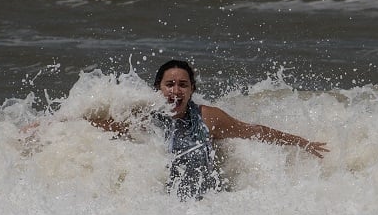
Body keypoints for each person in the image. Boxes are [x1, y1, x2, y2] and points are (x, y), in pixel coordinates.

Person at [92, 59, 329, 200]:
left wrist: (300, 142)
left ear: (192, 90)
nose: (176, 91)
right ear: (158, 88)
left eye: (183, 85)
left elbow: (254, 131)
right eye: (170, 84)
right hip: (161, 207)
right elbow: (111, 128)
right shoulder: (145, 117)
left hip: (206, 206)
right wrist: (67, 125)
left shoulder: (208, 119)